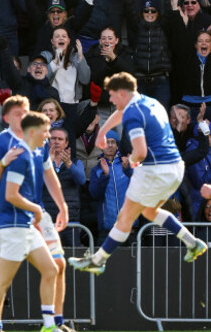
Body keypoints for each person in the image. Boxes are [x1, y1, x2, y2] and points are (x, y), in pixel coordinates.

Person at [70, 71, 207, 275]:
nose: (110, 99)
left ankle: (98, 260)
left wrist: (133, 162)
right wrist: (105, 129)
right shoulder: (151, 103)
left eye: (113, 95)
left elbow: (140, 151)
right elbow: (121, 114)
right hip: (173, 169)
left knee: (125, 216)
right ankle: (193, 242)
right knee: (149, 211)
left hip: (157, 170)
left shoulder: (134, 115)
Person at [0, 111, 70, 332]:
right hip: (14, 225)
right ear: (32, 132)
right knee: (3, 279)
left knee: (51, 269)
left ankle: (49, 326)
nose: (48, 136)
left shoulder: (31, 154)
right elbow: (10, 195)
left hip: (26, 225)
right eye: (45, 131)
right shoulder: (20, 157)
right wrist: (36, 209)